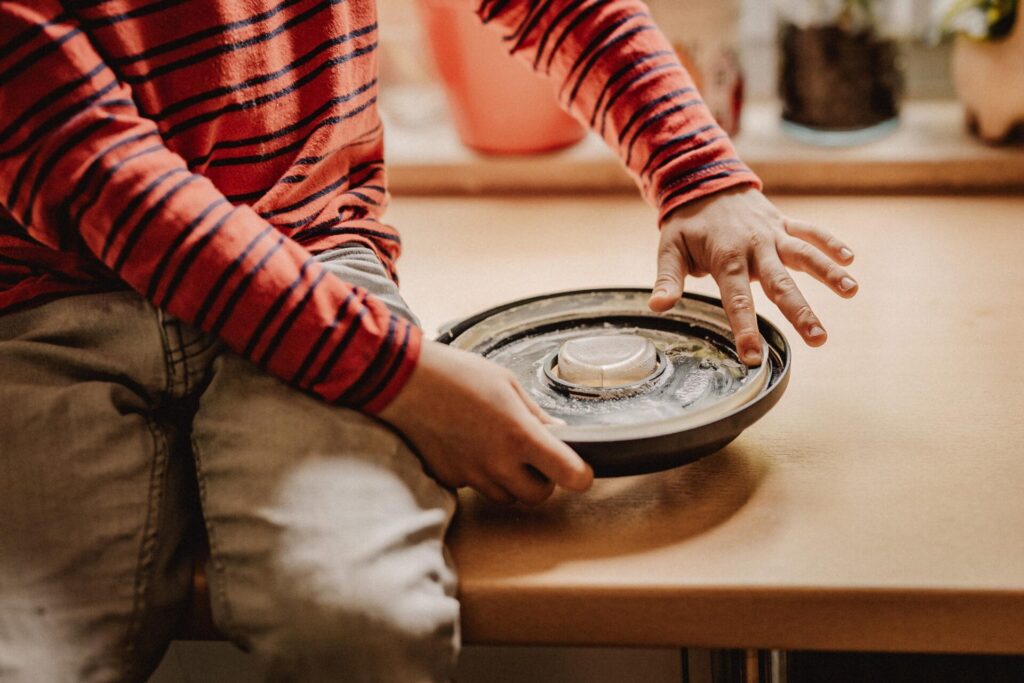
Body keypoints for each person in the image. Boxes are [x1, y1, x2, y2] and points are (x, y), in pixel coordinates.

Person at [0, 0, 858, 681]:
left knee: (361, 625)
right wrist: (402, 377)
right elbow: (90, 167)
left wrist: (692, 167)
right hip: (46, 303)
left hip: (317, 258)